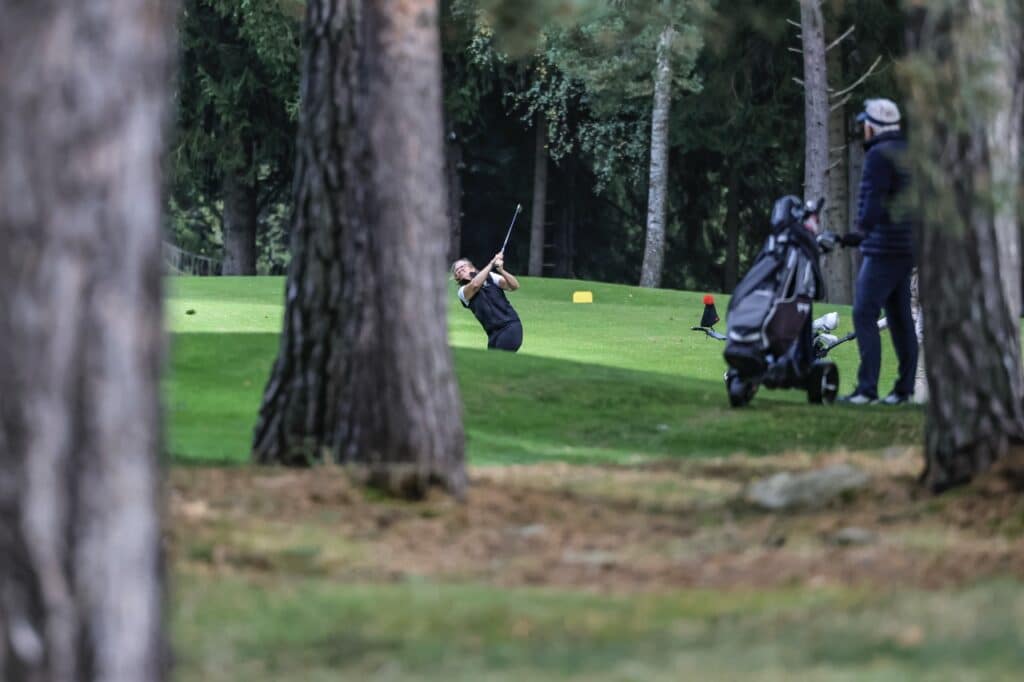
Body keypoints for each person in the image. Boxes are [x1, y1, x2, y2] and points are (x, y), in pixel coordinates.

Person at [838, 98, 918, 405]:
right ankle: (904, 390)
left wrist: (858, 233)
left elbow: (873, 200)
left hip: (884, 247)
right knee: (899, 317)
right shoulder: (908, 151)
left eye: (864, 125)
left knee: (863, 312)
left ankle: (867, 389)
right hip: (907, 247)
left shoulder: (878, 156)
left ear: (872, 126)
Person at [451, 252, 523, 352]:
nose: (460, 270)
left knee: (499, 361)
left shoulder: (491, 276)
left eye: (463, 266)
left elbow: (514, 286)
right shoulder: (462, 292)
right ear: (457, 278)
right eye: (457, 271)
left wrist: (501, 271)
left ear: (472, 268)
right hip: (493, 335)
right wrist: (491, 263)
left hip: (510, 326)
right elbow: (475, 284)